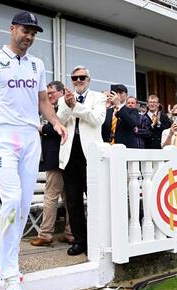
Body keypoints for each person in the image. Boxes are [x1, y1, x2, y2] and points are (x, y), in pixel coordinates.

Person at [0, 11, 67, 290]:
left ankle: (2, 257)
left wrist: (56, 122)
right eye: (25, 30)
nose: (29, 36)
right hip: (4, 136)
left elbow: (43, 101)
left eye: (33, 33)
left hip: (31, 137)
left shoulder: (37, 64)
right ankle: (10, 274)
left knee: (22, 205)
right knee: (10, 201)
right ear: (12, 29)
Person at [57, 65, 106, 257]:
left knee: (94, 200)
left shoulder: (98, 98)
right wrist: (68, 106)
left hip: (90, 156)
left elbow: (97, 120)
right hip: (69, 155)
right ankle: (80, 241)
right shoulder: (64, 99)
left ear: (88, 79)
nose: (78, 81)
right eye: (74, 78)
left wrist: (75, 107)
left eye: (82, 77)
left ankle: (97, 240)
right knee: (73, 201)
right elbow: (59, 120)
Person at [31, 81, 74, 247]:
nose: (49, 96)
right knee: (68, 197)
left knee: (50, 197)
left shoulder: (63, 107)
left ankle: (45, 234)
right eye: (47, 93)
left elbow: (53, 129)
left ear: (62, 92)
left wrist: (42, 128)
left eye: (52, 93)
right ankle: (70, 233)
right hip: (61, 159)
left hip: (57, 159)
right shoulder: (60, 106)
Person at [101, 84, 140, 148]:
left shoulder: (132, 111)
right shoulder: (107, 111)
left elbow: (133, 123)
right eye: (116, 93)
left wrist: (118, 105)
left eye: (121, 93)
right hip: (108, 147)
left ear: (126, 95)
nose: (118, 95)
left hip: (125, 148)